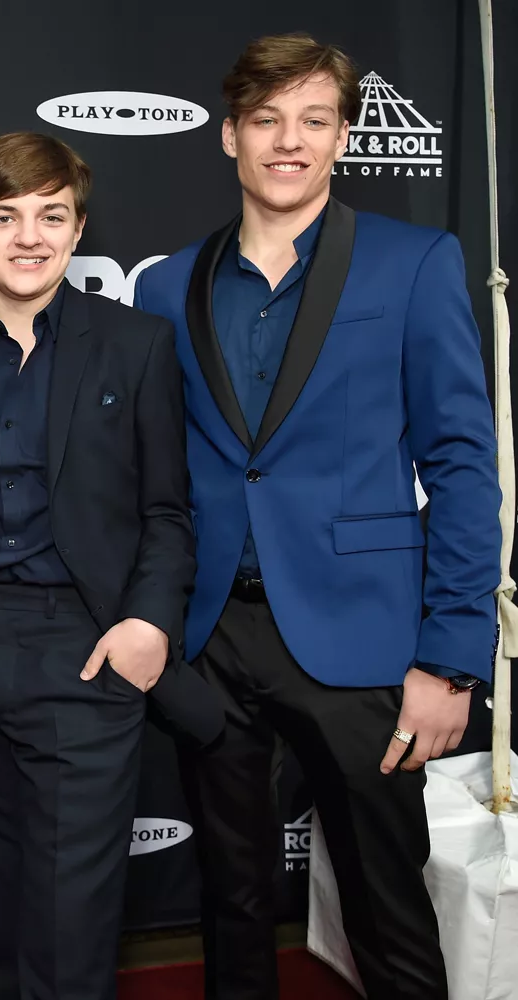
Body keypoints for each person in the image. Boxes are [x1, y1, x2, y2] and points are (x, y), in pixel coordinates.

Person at [133, 33, 501, 1000]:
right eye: (267, 121)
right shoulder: (168, 286)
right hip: (212, 638)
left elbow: (463, 464)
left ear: (342, 136)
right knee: (232, 902)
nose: (288, 142)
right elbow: (151, 473)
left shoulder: (416, 262)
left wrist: (452, 658)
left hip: (365, 641)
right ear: (229, 138)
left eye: (313, 120)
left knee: (389, 908)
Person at [0, 132, 197, 1000]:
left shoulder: (137, 344)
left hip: (85, 650)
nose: (28, 236)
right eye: (5, 217)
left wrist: (147, 625)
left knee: (72, 932)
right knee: (0, 915)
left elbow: (169, 511)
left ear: (77, 232)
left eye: (51, 216)